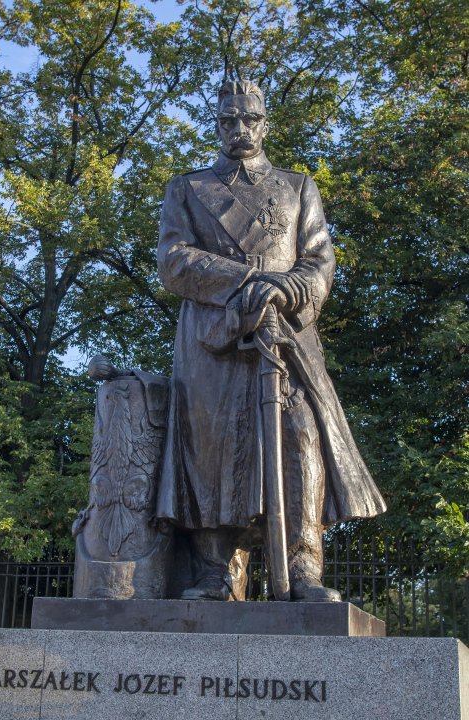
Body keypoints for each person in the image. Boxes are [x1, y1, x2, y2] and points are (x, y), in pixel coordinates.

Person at [156, 80, 386, 602]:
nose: (239, 129)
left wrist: (287, 288)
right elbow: (173, 261)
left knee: (299, 442)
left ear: (265, 123)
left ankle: (304, 572)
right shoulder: (188, 189)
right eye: (228, 120)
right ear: (216, 125)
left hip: (287, 335)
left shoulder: (298, 185)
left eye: (249, 119)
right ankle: (216, 574)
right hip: (215, 341)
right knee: (215, 452)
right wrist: (249, 283)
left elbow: (319, 259)